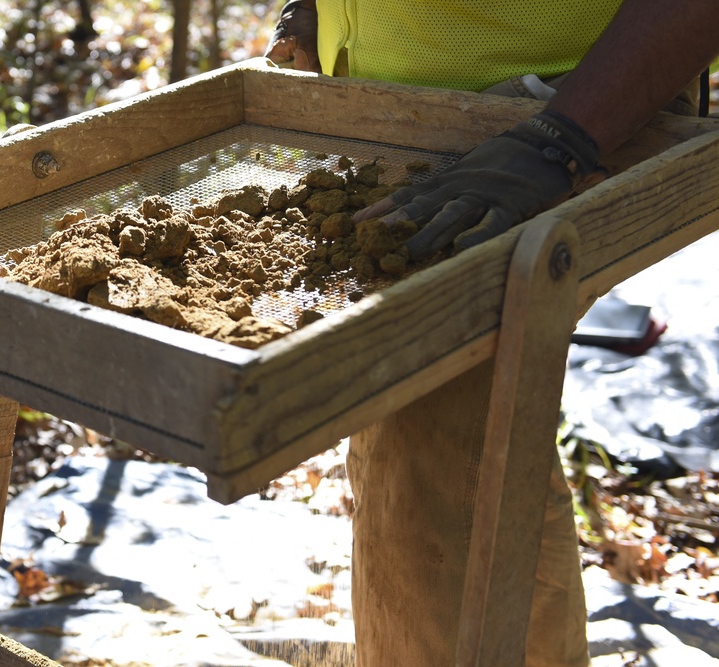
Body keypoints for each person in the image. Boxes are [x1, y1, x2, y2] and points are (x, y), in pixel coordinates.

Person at [264, 2, 719, 666]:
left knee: (428, 428)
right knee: (457, 437)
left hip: (566, 106)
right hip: (389, 106)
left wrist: (562, 137)